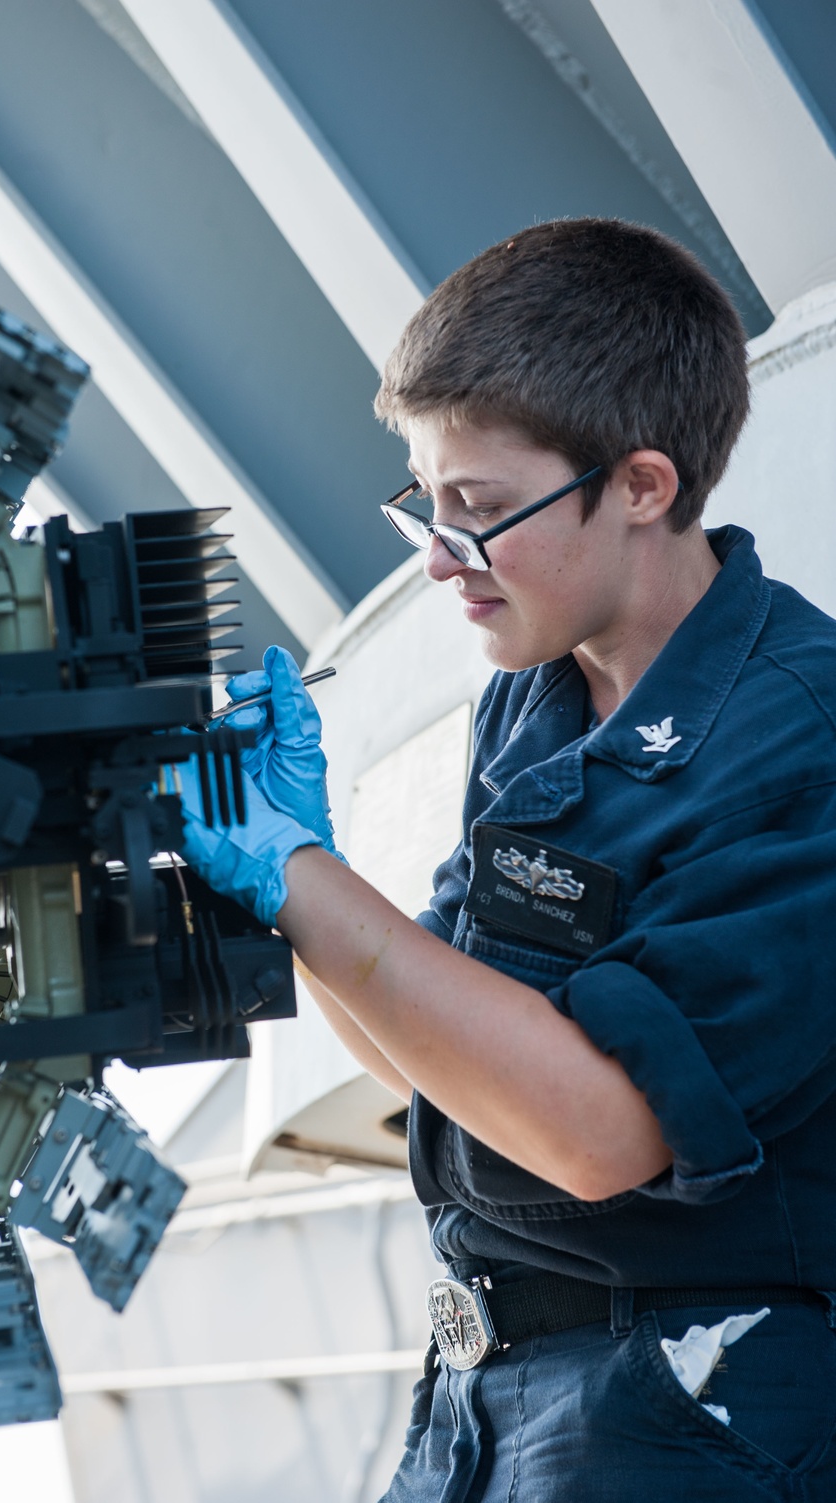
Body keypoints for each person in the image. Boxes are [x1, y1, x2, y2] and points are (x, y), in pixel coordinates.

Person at [177, 218, 836, 1500]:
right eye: (423, 500)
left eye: (478, 510)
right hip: (491, 1398)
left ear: (641, 485)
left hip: (691, 1414)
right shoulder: (539, 698)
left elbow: (598, 1131)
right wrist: (295, 882)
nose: (438, 558)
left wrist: (304, 879)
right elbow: (439, 1056)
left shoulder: (798, 746)